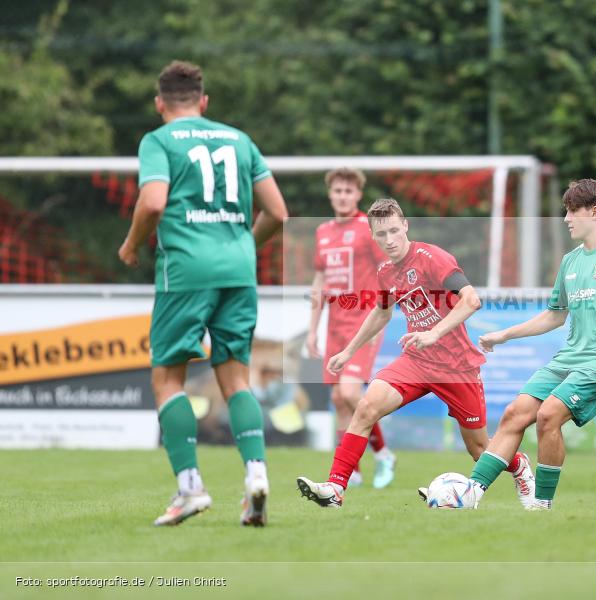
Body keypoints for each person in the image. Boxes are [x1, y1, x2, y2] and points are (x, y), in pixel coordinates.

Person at [118, 61, 289, 526]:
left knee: (167, 380)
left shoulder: (158, 140)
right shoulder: (239, 139)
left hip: (186, 273)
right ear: (204, 101)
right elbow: (277, 211)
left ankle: (190, 488)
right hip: (238, 271)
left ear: (160, 104)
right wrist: (239, 248)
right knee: (236, 379)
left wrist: (132, 244)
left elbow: (153, 201)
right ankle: (256, 475)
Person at [296, 199, 534, 508]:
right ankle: (335, 488)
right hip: (417, 362)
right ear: (373, 235)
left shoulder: (432, 258)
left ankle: (520, 467)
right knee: (366, 407)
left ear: (405, 225)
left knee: (479, 449)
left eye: (394, 231)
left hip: (456, 367)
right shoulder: (384, 271)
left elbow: (471, 300)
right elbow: (381, 314)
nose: (389, 240)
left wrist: (434, 332)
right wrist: (349, 351)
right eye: (381, 234)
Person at [466, 178, 596, 510]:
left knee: (548, 415)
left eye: (571, 212)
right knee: (514, 414)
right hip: (568, 358)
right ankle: (469, 494)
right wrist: (504, 334)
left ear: (594, 213)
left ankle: (541, 505)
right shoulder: (570, 261)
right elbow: (554, 316)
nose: (565, 219)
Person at [305, 168, 396, 489]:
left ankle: (383, 453)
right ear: (330, 194)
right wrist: (313, 328)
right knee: (338, 399)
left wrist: (386, 305)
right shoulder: (323, 232)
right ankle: (353, 470)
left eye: (348, 191)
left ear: (358, 195)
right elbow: (320, 280)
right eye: (337, 191)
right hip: (335, 324)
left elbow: (386, 267)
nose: (342, 196)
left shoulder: (365, 229)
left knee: (349, 392)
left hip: (364, 321)